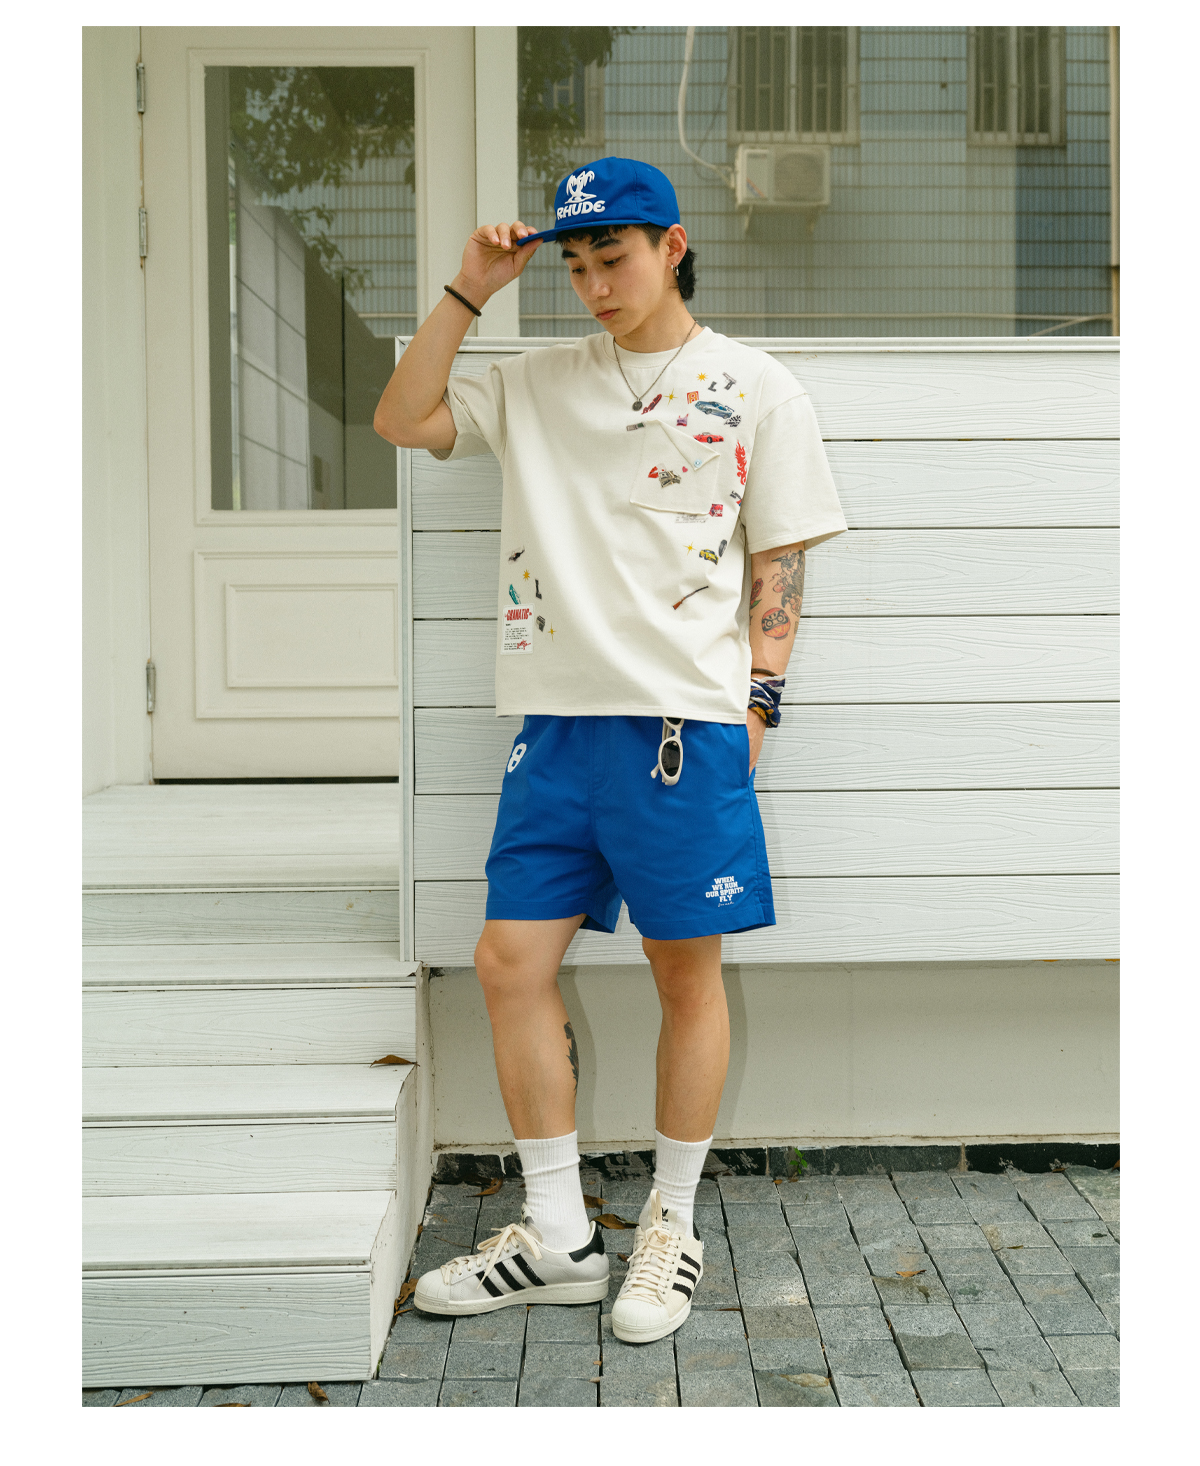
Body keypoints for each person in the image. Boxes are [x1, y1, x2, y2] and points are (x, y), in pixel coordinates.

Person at [374, 157, 846, 1344]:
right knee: (507, 961)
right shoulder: (535, 382)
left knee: (686, 975)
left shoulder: (757, 386)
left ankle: (670, 1222)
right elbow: (402, 418)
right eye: (576, 265)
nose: (593, 285)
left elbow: (779, 556)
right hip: (556, 727)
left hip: (685, 728)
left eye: (613, 258)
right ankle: (558, 1236)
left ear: (673, 246)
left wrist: (761, 699)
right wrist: (470, 290)